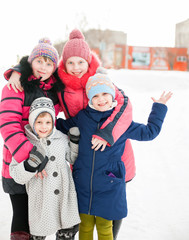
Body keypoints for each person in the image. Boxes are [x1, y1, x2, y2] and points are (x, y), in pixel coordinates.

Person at [4, 29, 136, 240]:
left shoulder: (100, 81)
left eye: (81, 62)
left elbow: (125, 107)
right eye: (70, 63)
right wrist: (18, 70)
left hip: (110, 153)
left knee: (109, 209)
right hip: (65, 157)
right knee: (57, 213)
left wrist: (105, 133)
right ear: (64, 65)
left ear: (88, 61)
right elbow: (10, 122)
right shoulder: (57, 85)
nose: (76, 68)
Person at [56, 67, 172, 240]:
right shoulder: (83, 117)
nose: (101, 99)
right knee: (85, 227)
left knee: (105, 227)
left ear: (112, 94)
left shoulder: (122, 123)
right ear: (89, 98)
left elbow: (149, 132)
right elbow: (62, 127)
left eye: (104, 94)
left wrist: (159, 108)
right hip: (83, 183)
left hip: (109, 185)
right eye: (95, 96)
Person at [0, 38, 65, 239]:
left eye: (49, 64)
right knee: (21, 216)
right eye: (39, 61)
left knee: (38, 217)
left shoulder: (55, 91)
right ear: (30, 62)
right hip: (19, 161)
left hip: (44, 165)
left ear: (54, 68)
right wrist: (32, 158)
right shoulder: (15, 86)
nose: (43, 67)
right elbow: (8, 123)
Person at [9, 97, 81, 240]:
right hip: (41, 200)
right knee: (39, 233)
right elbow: (16, 174)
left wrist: (74, 142)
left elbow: (72, 158)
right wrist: (29, 165)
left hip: (63, 197)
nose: (44, 127)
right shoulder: (25, 143)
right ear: (32, 122)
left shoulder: (61, 138)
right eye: (39, 122)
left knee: (65, 232)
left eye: (48, 122)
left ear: (53, 122)